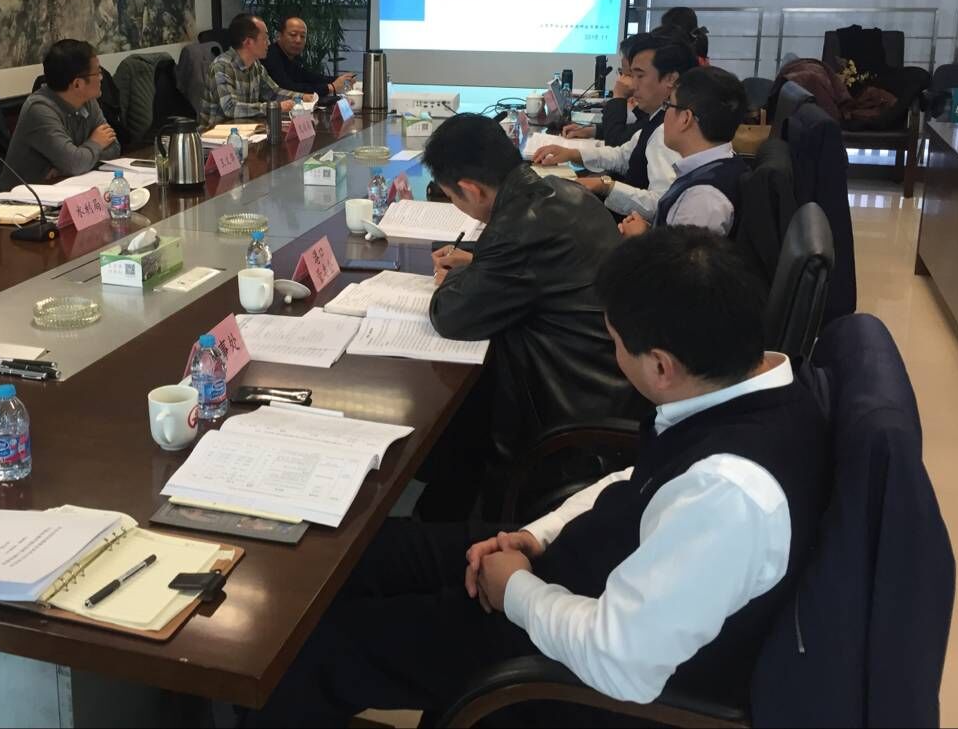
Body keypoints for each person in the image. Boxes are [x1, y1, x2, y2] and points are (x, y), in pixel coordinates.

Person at [244, 229, 832, 726]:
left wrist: (517, 593)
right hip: (571, 568)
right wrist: (536, 534)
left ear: (661, 366)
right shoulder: (746, 386)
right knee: (360, 556)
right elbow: (638, 478)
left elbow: (622, 662)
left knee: (314, 652)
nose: (613, 355)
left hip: (563, 668)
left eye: (616, 344)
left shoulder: (731, 494)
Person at [419, 114, 641, 519]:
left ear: (471, 189)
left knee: (443, 426)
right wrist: (478, 264)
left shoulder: (517, 228)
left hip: (567, 419)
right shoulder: (562, 191)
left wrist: (462, 274)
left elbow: (450, 315)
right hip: (609, 388)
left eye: (453, 197)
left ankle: (449, 523)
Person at [533, 34, 699, 222]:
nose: (632, 85)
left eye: (640, 76)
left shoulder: (666, 132)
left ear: (670, 79)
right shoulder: (656, 119)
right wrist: (573, 154)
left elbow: (661, 204)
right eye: (631, 75)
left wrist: (606, 186)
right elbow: (623, 155)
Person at [620, 67, 749, 238]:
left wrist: (639, 239)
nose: (664, 114)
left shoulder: (702, 199)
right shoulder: (720, 165)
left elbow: (680, 256)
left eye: (668, 105)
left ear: (685, 118)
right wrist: (649, 232)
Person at [1, 39, 121, 188]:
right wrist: (95, 144)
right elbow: (75, 163)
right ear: (77, 84)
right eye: (98, 73)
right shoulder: (39, 109)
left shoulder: (88, 100)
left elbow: (114, 147)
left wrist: (66, 168)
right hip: (24, 197)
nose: (101, 78)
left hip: (66, 187)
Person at [198, 14, 312, 127]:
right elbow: (230, 108)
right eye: (265, 38)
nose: (268, 43)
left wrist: (302, 97)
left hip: (246, 129)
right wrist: (275, 107)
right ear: (248, 42)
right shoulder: (222, 66)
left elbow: (273, 93)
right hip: (216, 135)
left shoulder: (255, 65)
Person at [561, 36, 641, 145]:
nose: (620, 80)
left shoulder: (653, 115)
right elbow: (628, 131)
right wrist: (590, 131)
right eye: (621, 72)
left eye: (627, 74)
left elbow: (614, 141)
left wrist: (618, 96)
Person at [261, 14, 355, 99]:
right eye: (293, 35)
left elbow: (309, 77)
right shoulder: (270, 56)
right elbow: (287, 88)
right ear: (279, 36)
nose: (298, 40)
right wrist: (330, 87)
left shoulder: (293, 56)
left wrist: (340, 79)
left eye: (303, 36)